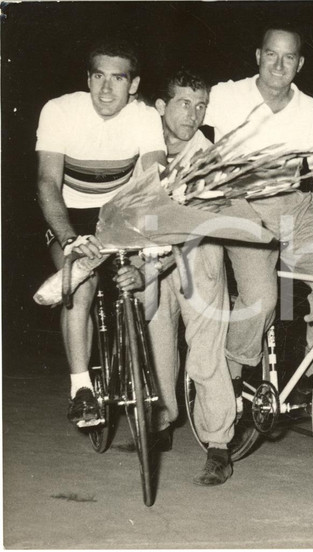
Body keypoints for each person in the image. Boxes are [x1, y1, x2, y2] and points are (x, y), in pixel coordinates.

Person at [202, 23, 313, 393]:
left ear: (299, 64)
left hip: (292, 205)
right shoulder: (225, 96)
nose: (279, 65)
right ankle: (231, 374)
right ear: (258, 56)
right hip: (238, 203)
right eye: (271, 54)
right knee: (263, 299)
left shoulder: (311, 110)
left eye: (288, 57)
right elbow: (180, 123)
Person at [35, 40, 166, 427]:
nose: (106, 89)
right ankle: (81, 390)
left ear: (134, 84)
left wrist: (149, 248)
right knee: (82, 282)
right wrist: (69, 239)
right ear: (88, 79)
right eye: (98, 77)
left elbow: (153, 185)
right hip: (70, 216)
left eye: (118, 79)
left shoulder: (144, 118)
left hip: (119, 214)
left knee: (141, 276)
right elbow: (46, 183)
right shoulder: (59, 111)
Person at [147, 69, 236, 486]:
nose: (194, 113)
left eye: (201, 105)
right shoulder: (142, 142)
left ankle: (218, 444)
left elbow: (202, 218)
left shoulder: (208, 153)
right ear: (162, 106)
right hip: (149, 252)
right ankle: (164, 418)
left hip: (195, 253)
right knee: (158, 337)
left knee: (205, 347)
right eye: (185, 103)